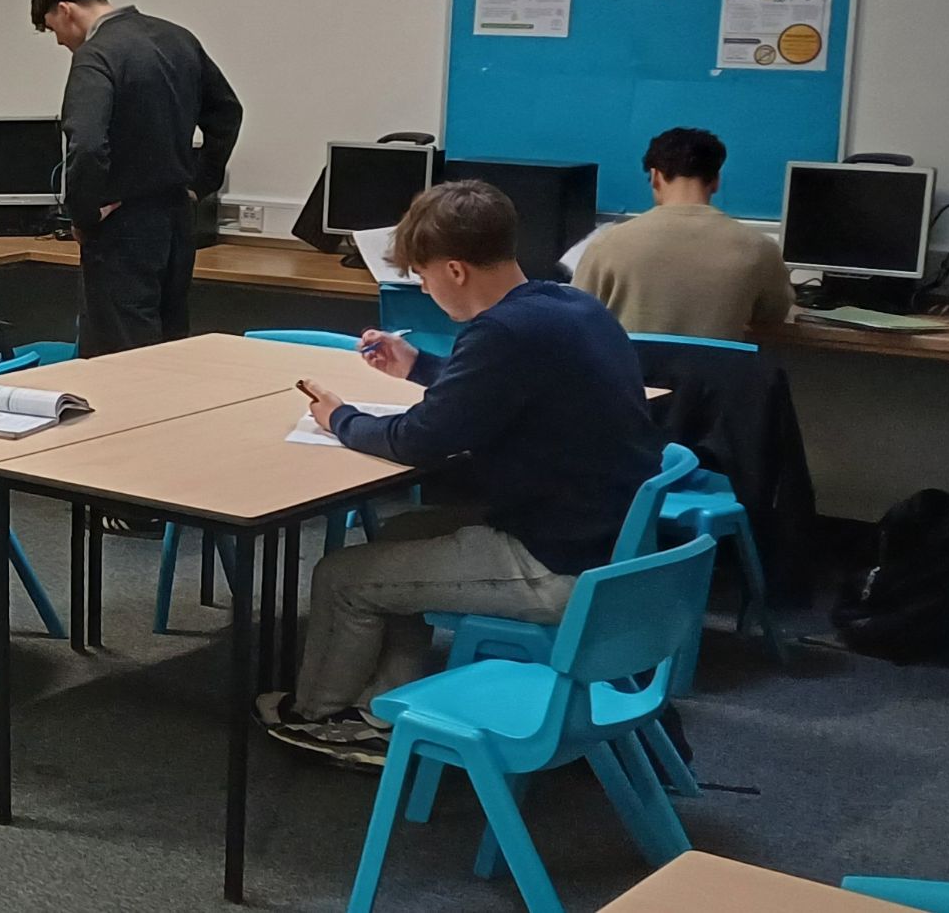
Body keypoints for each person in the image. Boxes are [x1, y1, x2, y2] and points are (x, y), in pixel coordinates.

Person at [267, 181, 659, 767]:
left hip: (557, 561)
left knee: (342, 576)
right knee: (402, 537)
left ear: (453, 269)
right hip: (611, 544)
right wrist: (419, 367)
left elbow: (420, 440)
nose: (422, 290)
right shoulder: (568, 304)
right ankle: (384, 709)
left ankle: (319, 714)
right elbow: (497, 391)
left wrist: (339, 417)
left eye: (422, 277)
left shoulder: (499, 333)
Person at [29, 0, 242, 355]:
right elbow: (228, 112)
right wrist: (201, 183)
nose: (59, 41)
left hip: (122, 228)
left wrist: (84, 216)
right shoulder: (179, 39)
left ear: (65, 9)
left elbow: (88, 145)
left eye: (52, 28)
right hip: (178, 221)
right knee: (170, 350)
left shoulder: (96, 56)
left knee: (119, 359)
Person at [573, 127, 795, 341]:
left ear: (655, 176)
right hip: (716, 378)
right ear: (716, 181)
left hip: (629, 378)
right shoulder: (759, 248)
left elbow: (575, 316)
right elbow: (773, 316)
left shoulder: (608, 244)